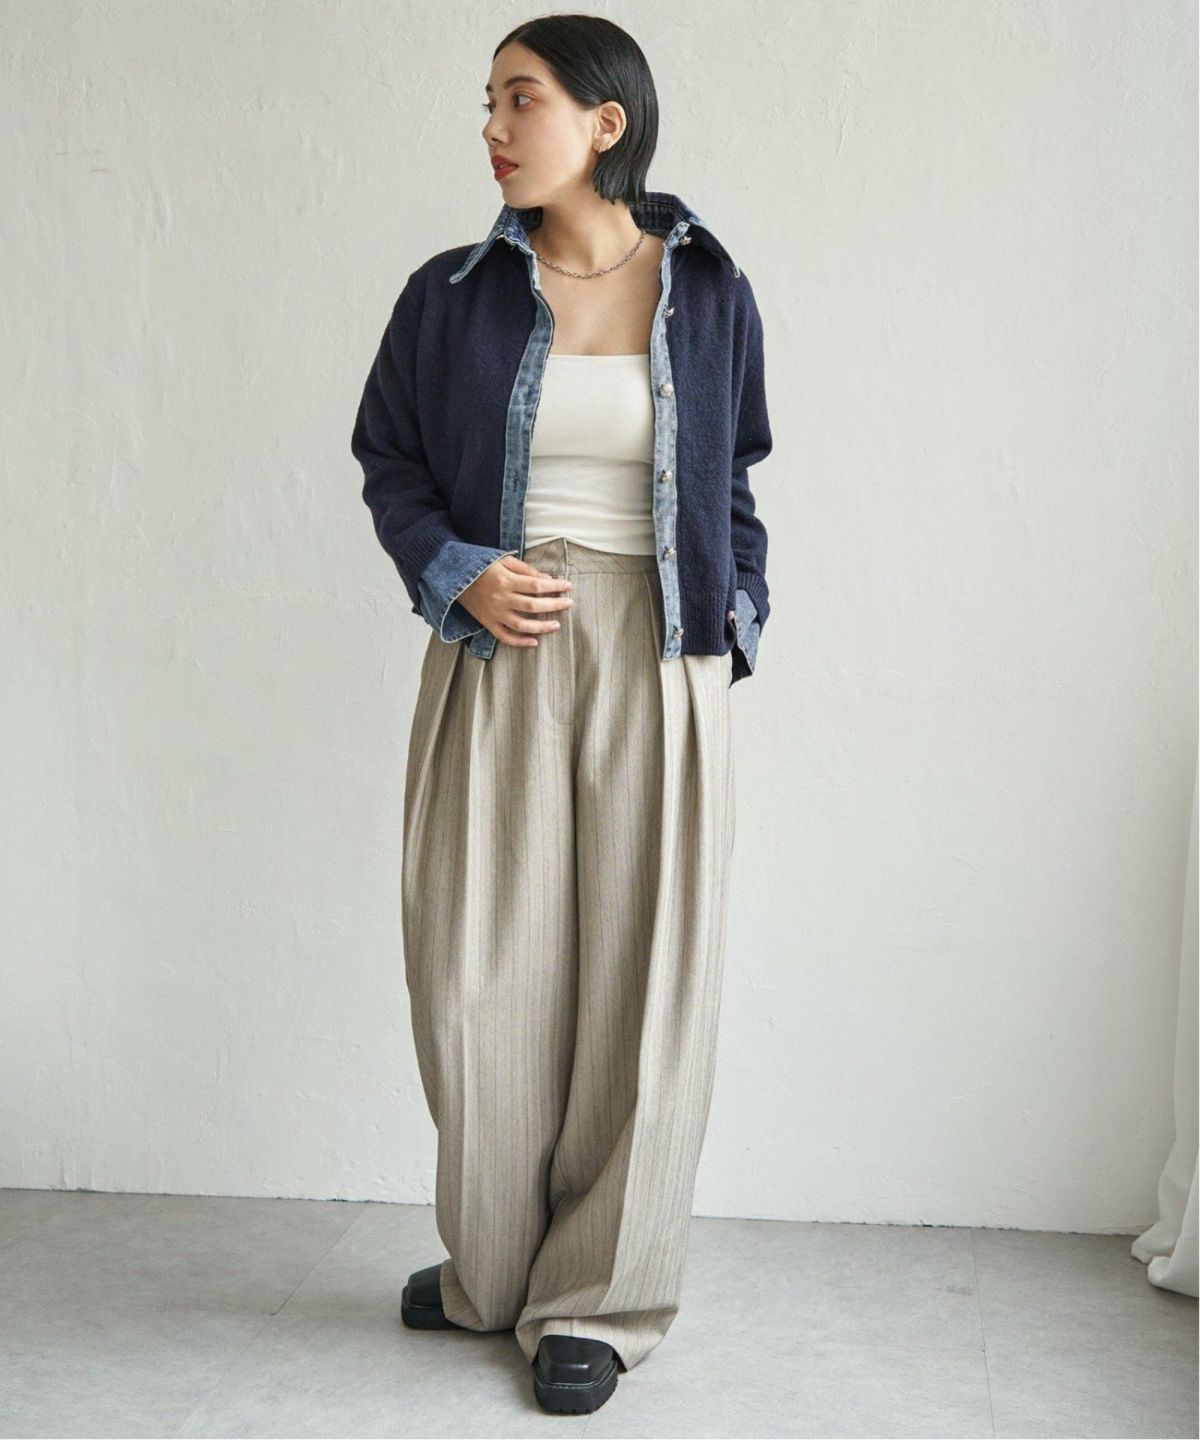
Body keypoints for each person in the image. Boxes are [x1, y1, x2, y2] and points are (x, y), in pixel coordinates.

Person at [350, 12, 773, 1416]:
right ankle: (495, 1266)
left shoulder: (708, 288)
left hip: (661, 651)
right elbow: (391, 460)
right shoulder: (452, 294)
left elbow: (734, 479)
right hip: (499, 643)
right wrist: (457, 574)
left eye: (519, 99)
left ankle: (597, 1296)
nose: (492, 127)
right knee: (478, 972)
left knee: (644, 983)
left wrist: (730, 626)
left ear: (606, 121)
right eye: (486, 101)